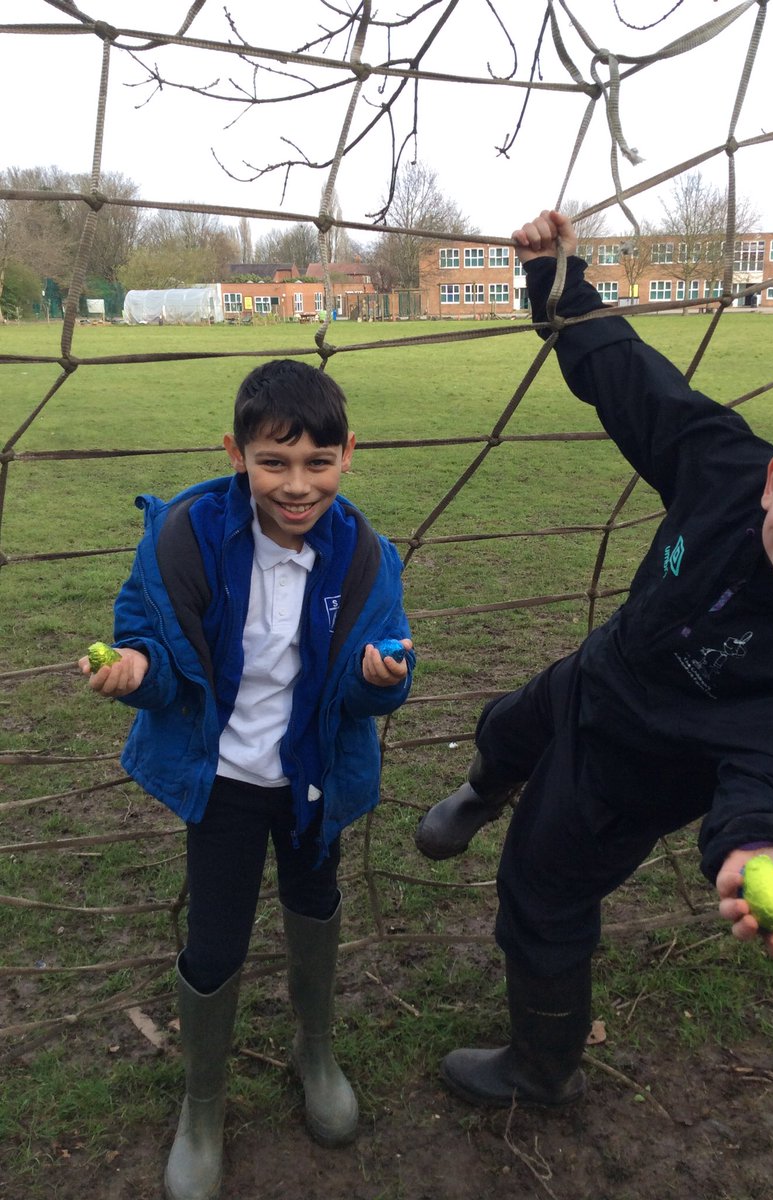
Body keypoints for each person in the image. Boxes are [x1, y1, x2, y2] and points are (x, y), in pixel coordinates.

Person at [415, 209, 773, 1109]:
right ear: (772, 478)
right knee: (509, 726)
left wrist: (768, 842)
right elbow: (633, 381)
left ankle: (543, 1067)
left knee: (541, 889)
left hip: (643, 767)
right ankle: (483, 787)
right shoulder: (721, 470)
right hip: (604, 669)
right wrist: (557, 283)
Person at [81, 359, 414, 1200]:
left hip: (312, 778)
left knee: (315, 902)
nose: (297, 486)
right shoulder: (184, 537)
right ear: (237, 453)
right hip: (225, 780)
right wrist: (134, 667)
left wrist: (385, 679)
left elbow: (383, 663)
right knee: (217, 934)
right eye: (274, 462)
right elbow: (156, 652)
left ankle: (316, 1048)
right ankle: (203, 1102)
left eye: (318, 462)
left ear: (348, 454)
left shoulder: (366, 555)